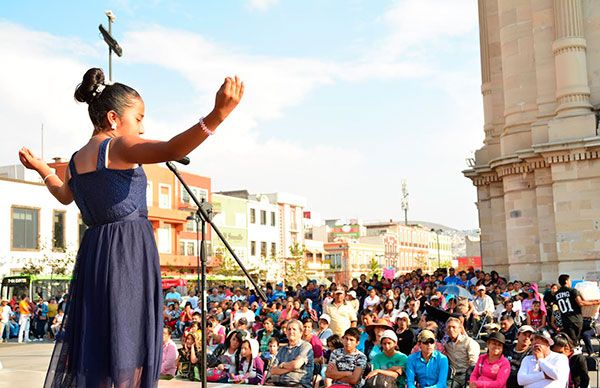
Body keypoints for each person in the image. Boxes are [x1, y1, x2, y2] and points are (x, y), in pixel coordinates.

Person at [18, 67, 243, 386]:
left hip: (97, 254)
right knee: (130, 346)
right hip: (127, 254)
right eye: (138, 118)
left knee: (103, 344)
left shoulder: (76, 159)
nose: (141, 126)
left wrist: (42, 167)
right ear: (113, 118)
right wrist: (217, 115)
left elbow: (63, 195)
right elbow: (173, 149)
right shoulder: (118, 147)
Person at [555, 274, 600, 348]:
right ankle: (576, 355)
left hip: (565, 320)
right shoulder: (572, 291)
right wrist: (595, 302)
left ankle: (574, 353)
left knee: (571, 340)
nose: (570, 282)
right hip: (576, 319)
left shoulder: (556, 294)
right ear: (566, 281)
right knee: (575, 341)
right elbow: (581, 303)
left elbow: (559, 308)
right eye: (570, 280)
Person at [268, 319, 314, 388]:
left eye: (294, 329)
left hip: (299, 384)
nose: (291, 331)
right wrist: (291, 367)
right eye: (289, 329)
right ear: (286, 332)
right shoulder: (282, 349)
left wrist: (282, 365)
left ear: (301, 333)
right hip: (280, 384)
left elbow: (296, 365)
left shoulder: (305, 346)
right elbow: (273, 370)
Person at [444, 317, 480, 385]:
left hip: (467, 376)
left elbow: (474, 363)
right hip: (453, 377)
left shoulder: (469, 342)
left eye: (454, 327)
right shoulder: (446, 345)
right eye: (448, 327)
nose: (451, 329)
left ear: (460, 329)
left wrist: (470, 377)